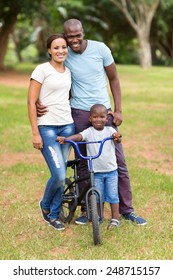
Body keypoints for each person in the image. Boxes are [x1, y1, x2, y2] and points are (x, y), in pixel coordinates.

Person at [37, 19, 147, 226]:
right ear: (66, 37)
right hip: (79, 114)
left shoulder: (101, 49)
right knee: (84, 165)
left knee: (117, 162)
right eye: (70, 37)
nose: (74, 40)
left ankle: (126, 210)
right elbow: (47, 78)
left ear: (83, 32)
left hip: (103, 113)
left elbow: (114, 78)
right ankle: (90, 210)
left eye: (77, 35)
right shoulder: (65, 54)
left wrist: (118, 109)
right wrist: (37, 101)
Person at [27, 33, 75, 230]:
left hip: (67, 126)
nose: (61, 51)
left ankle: (54, 215)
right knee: (59, 175)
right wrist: (35, 132)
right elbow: (31, 101)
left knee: (61, 172)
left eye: (63, 47)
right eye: (56, 47)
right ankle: (45, 205)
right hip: (46, 127)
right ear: (49, 50)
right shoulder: (41, 70)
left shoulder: (69, 72)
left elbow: (66, 96)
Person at [58, 104, 122, 229]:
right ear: (90, 119)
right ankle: (98, 217)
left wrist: (117, 137)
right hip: (96, 171)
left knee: (113, 195)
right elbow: (79, 137)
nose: (99, 119)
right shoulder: (88, 132)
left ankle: (115, 218)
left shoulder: (110, 131)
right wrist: (67, 139)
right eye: (95, 117)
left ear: (107, 119)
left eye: (102, 117)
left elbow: (118, 139)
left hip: (111, 171)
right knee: (98, 196)